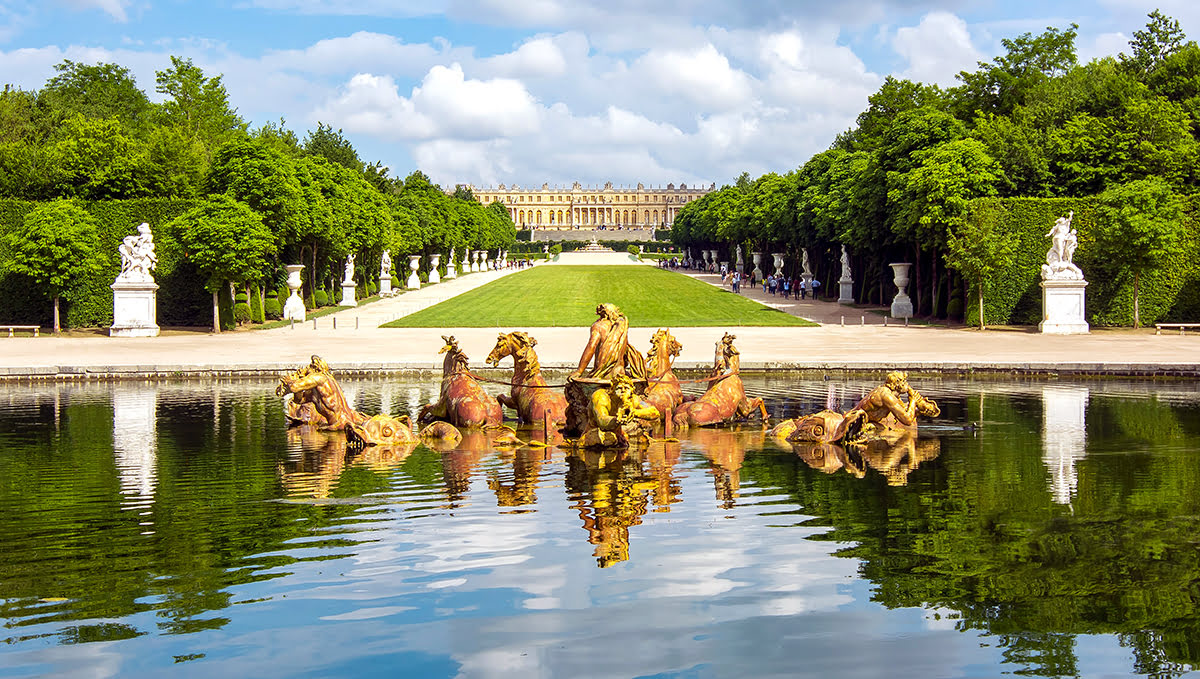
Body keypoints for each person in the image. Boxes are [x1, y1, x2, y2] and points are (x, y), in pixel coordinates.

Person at [570, 303, 646, 381]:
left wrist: (579, 371)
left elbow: (591, 346)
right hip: (620, 373)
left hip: (605, 375)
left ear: (604, 315)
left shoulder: (599, 326)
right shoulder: (621, 327)